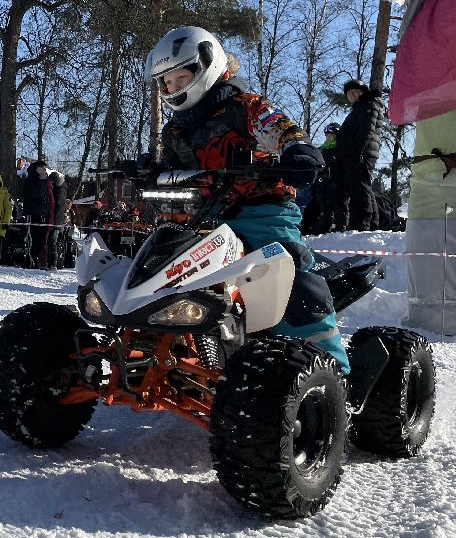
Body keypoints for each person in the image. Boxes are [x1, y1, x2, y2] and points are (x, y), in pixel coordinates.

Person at [147, 25, 347, 373]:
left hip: (260, 210)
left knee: (290, 270)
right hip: (200, 220)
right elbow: (169, 164)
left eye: (179, 79)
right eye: (165, 83)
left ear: (205, 67)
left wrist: (296, 149)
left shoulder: (245, 108)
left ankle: (330, 365)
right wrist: (146, 169)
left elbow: (279, 129)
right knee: (156, 269)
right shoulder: (175, 128)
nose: (172, 89)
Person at [333, 79, 386, 231]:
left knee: (360, 189)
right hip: (355, 154)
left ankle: (361, 225)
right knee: (362, 188)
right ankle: (372, 224)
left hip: (362, 154)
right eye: (349, 93)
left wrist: (357, 153)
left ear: (362, 91)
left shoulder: (369, 105)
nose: (352, 95)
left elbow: (366, 131)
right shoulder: (360, 108)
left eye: (355, 91)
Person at [22, 159, 54, 268]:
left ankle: (34, 259)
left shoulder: (45, 181)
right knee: (33, 238)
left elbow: (47, 197)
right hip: (33, 213)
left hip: (43, 214)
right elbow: (30, 195)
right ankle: (30, 260)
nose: (45, 171)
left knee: (41, 239)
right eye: (43, 169)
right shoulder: (30, 180)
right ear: (38, 169)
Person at [47, 170, 70, 269]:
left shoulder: (59, 191)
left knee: (52, 241)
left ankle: (53, 263)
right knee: (53, 241)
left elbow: (58, 205)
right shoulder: (61, 189)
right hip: (57, 220)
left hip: (56, 220)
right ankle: (52, 262)